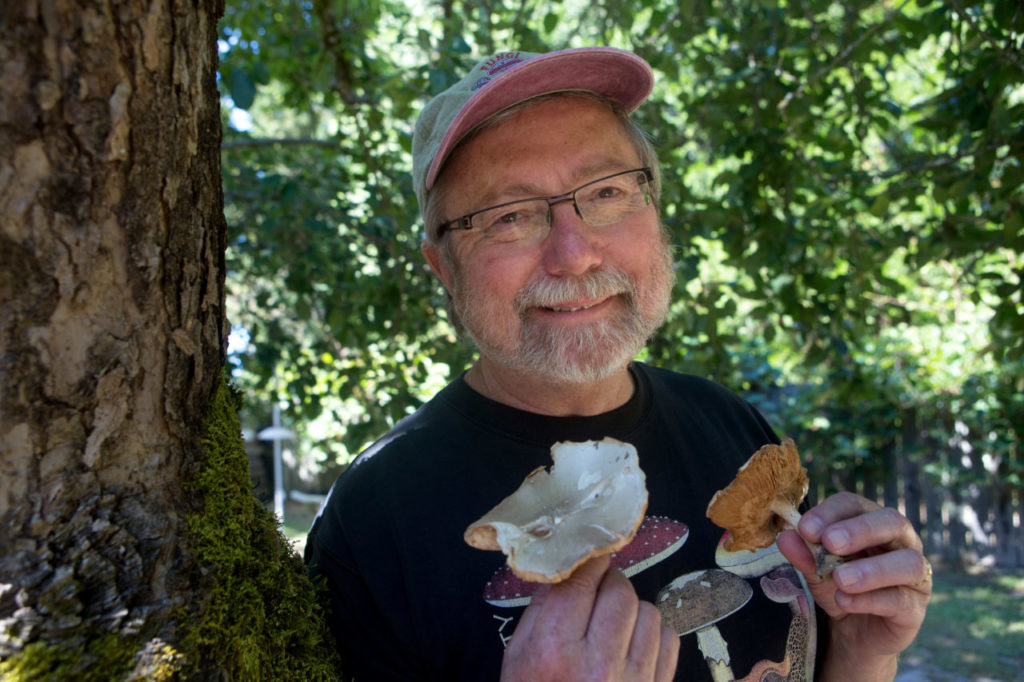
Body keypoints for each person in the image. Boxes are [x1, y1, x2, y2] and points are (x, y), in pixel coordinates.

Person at [305, 46, 931, 682]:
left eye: (605, 191)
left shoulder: (734, 427)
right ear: (443, 269)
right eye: (509, 216)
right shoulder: (374, 522)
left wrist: (861, 652)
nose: (573, 255)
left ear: (654, 208)